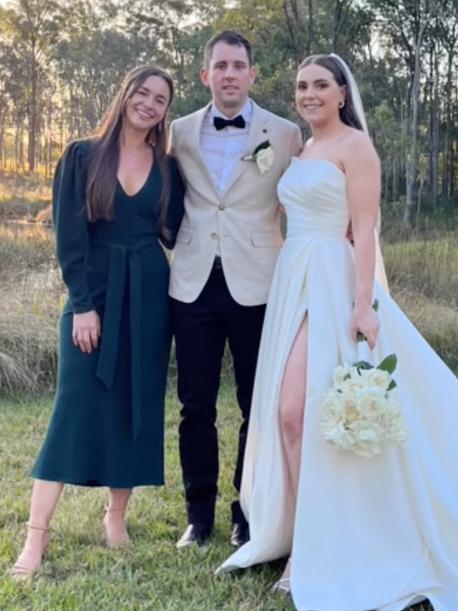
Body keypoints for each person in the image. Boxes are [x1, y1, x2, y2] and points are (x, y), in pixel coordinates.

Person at [219, 54, 458, 611]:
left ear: (342, 93)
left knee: (297, 413)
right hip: (293, 279)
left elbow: (366, 228)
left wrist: (363, 305)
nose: (309, 94)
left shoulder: (356, 148)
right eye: (301, 85)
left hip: (334, 281)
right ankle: (304, 538)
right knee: (291, 417)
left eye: (320, 85)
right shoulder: (299, 150)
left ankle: (318, 550)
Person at [10, 65, 184, 580]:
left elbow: (178, 231)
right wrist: (82, 304)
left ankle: (116, 518)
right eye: (143, 92)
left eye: (160, 99)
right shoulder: (83, 154)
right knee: (74, 407)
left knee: (135, 402)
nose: (149, 104)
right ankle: (35, 537)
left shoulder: (168, 166)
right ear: (124, 92)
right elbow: (68, 236)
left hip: (150, 296)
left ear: (165, 111)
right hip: (94, 293)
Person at [169, 30, 302, 549]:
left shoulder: (286, 133)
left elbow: (317, 186)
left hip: (261, 283)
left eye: (238, 65)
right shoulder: (177, 131)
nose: (228, 74)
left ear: (252, 74)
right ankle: (198, 517)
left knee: (257, 403)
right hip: (193, 283)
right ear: (205, 75)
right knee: (194, 404)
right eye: (219, 65)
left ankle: (247, 513)